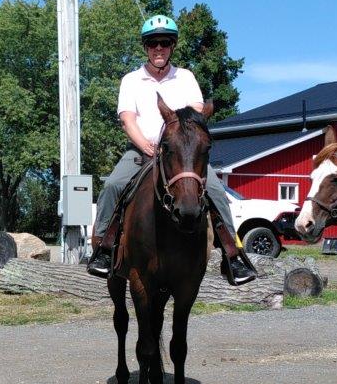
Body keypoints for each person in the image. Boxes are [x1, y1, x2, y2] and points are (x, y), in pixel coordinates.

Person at [87, 15, 256, 285]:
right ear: (145, 47)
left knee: (215, 191)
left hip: (182, 154)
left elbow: (197, 112)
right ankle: (102, 250)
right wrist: (145, 144)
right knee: (113, 186)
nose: (158, 48)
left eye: (164, 43)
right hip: (143, 149)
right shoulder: (131, 80)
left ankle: (233, 257)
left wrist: (177, 140)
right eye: (153, 43)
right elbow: (127, 119)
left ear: (172, 47)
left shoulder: (186, 77)